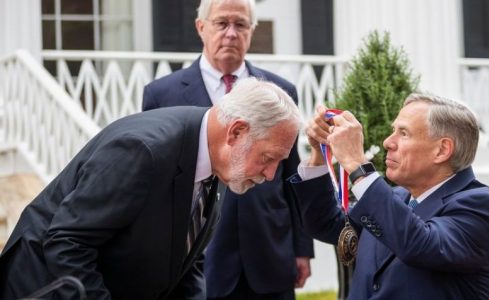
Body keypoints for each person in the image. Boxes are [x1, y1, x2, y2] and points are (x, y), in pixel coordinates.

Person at [0, 78, 302, 300]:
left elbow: (186, 260)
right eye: (267, 157)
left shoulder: (220, 162)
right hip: (42, 287)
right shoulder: (143, 151)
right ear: (236, 132)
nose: (271, 173)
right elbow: (67, 242)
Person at [142, 0, 313, 299]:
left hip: (270, 253)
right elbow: (155, 188)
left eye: (240, 24)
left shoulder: (281, 91)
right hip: (197, 262)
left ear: (251, 30)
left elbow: (290, 174)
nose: (231, 33)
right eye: (222, 24)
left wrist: (302, 247)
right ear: (201, 27)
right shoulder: (162, 95)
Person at [290, 93, 489, 299]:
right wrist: (319, 156)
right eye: (394, 131)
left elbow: (419, 244)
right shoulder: (399, 196)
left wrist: (358, 166)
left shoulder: (480, 205)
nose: (387, 142)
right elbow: (327, 223)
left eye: (403, 133)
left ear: (442, 150)